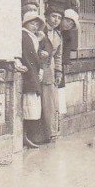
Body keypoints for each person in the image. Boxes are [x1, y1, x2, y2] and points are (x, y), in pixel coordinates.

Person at [37, 8, 63, 142]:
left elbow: (58, 56)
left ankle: (49, 133)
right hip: (38, 67)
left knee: (49, 101)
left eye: (59, 18)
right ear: (47, 16)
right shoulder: (40, 30)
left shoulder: (58, 35)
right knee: (38, 102)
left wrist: (58, 71)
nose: (56, 20)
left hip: (50, 69)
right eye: (53, 16)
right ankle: (38, 135)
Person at [21, 11, 46, 148]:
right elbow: (27, 57)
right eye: (32, 22)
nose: (35, 25)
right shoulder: (24, 36)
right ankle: (25, 136)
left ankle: (27, 136)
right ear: (25, 23)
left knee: (32, 108)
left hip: (33, 73)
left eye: (37, 23)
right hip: (29, 75)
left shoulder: (32, 37)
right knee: (28, 107)